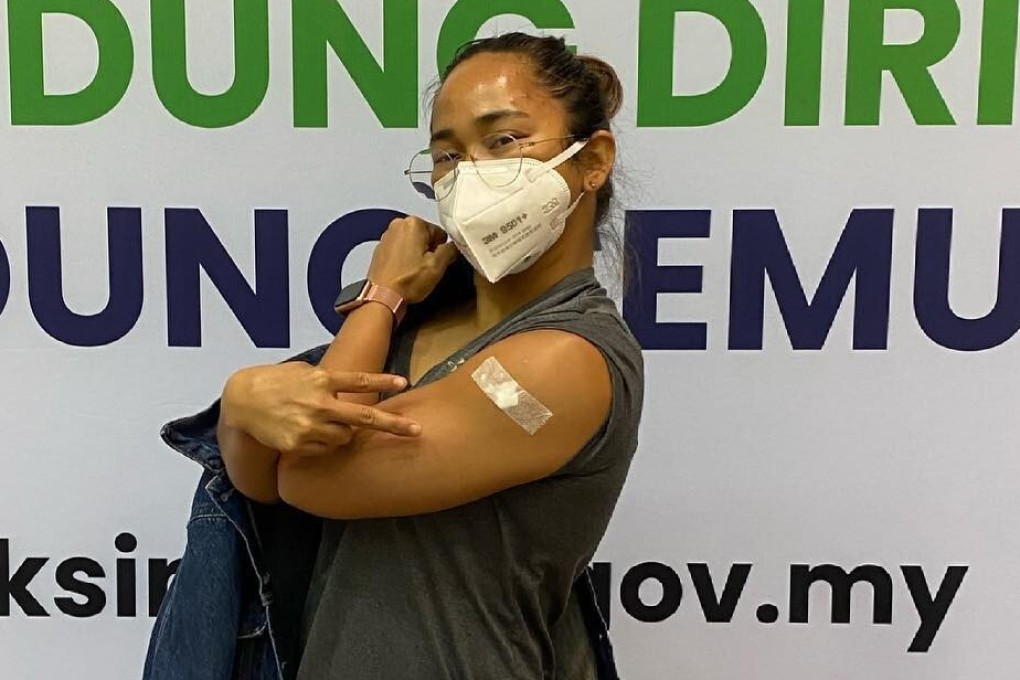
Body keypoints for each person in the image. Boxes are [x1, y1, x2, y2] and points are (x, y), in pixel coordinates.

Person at [146, 33, 644, 680]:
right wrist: (242, 408)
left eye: (504, 141)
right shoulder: (422, 323)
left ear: (593, 160)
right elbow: (261, 482)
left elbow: (310, 474)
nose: (469, 173)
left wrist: (378, 295)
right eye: (446, 155)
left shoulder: (562, 360)